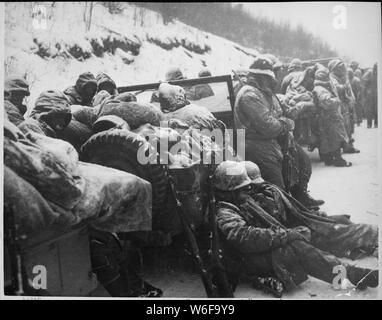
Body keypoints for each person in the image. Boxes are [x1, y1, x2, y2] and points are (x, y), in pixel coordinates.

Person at [213, 161, 378, 295]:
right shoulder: (225, 211)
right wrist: (287, 235)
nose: (247, 192)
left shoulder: (239, 202)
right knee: (296, 247)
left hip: (258, 251)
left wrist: (289, 233)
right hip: (246, 260)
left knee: (303, 241)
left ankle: (352, 266)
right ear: (230, 191)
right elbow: (245, 238)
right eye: (242, 189)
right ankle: (351, 274)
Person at [233, 56, 323, 208]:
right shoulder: (249, 94)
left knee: (303, 163)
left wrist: (296, 110)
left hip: (273, 140)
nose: (272, 80)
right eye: (269, 76)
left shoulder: (265, 92)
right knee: (276, 184)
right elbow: (269, 126)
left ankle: (299, 198)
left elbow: (280, 112)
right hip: (255, 143)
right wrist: (287, 123)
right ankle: (283, 214)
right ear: (259, 77)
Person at [244, 161, 378, 260]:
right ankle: (371, 234)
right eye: (251, 185)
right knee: (336, 232)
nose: (256, 187)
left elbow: (296, 210)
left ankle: (367, 241)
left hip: (303, 221)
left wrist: (314, 215)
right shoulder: (249, 205)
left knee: (341, 220)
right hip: (295, 233)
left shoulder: (269, 190)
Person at [313, 67, 352, 167]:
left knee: (326, 139)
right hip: (329, 117)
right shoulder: (321, 90)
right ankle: (339, 160)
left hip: (325, 117)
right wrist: (337, 101)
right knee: (335, 138)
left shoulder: (320, 88)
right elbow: (328, 102)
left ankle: (329, 160)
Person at [328, 59, 360, 154]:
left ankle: (349, 146)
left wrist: (351, 100)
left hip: (346, 105)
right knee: (341, 127)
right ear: (334, 69)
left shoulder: (343, 77)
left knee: (349, 126)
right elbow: (336, 88)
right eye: (339, 68)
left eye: (342, 67)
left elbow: (349, 90)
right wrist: (343, 87)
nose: (342, 69)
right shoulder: (331, 77)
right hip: (338, 105)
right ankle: (341, 147)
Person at [362, 63, 378, 128]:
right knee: (369, 110)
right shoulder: (369, 73)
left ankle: (376, 123)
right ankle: (369, 124)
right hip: (370, 94)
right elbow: (364, 83)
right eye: (375, 67)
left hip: (377, 94)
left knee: (377, 109)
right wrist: (365, 94)